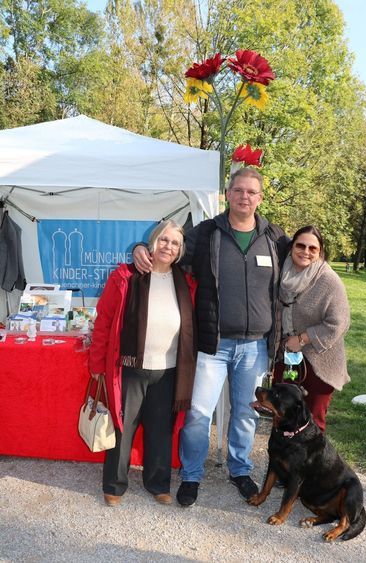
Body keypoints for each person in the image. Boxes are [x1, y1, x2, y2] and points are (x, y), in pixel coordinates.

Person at [133, 168, 288, 507]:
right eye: (238, 190)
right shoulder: (206, 234)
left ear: (260, 198)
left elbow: (307, 260)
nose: (244, 197)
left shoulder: (275, 238)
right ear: (227, 194)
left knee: (246, 413)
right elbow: (168, 247)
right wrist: (139, 248)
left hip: (255, 346)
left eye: (251, 192)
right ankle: (191, 476)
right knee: (199, 413)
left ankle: (240, 470)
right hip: (212, 345)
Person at [89, 220, 197, 507]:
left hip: (169, 369)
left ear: (180, 250)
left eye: (174, 243)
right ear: (151, 242)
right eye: (163, 240)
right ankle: (114, 484)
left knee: (161, 429)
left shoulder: (185, 281)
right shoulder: (125, 276)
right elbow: (104, 321)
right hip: (130, 367)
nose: (168, 246)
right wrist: (97, 364)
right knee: (123, 426)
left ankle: (158, 483)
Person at [273, 225, 350, 433]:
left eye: (312, 248)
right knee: (283, 418)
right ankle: (283, 464)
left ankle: (312, 466)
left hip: (319, 360)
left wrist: (303, 339)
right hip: (286, 358)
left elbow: (339, 323)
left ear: (320, 252)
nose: (305, 252)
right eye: (300, 245)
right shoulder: (279, 272)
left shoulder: (328, 280)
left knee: (312, 425)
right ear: (291, 247)